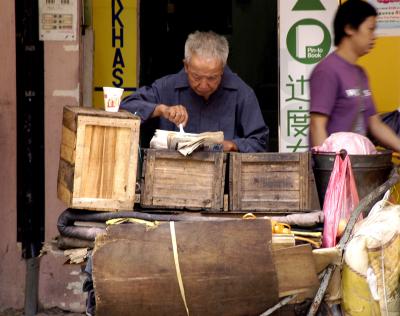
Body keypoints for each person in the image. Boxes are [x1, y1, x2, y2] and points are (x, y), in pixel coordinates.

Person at [120, 30, 269, 153]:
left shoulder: (241, 93)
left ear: (222, 69)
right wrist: (161, 109)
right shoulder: (167, 86)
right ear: (186, 66)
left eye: (212, 78)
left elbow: (260, 142)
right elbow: (125, 106)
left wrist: (232, 145)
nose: (203, 85)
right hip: (171, 180)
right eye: (196, 76)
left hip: (225, 181)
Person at [309, 0, 400, 152]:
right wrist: (332, 169)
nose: (374, 36)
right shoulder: (327, 70)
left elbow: (375, 124)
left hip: (357, 166)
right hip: (335, 169)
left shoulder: (361, 74)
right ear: (350, 28)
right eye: (370, 29)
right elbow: (317, 126)